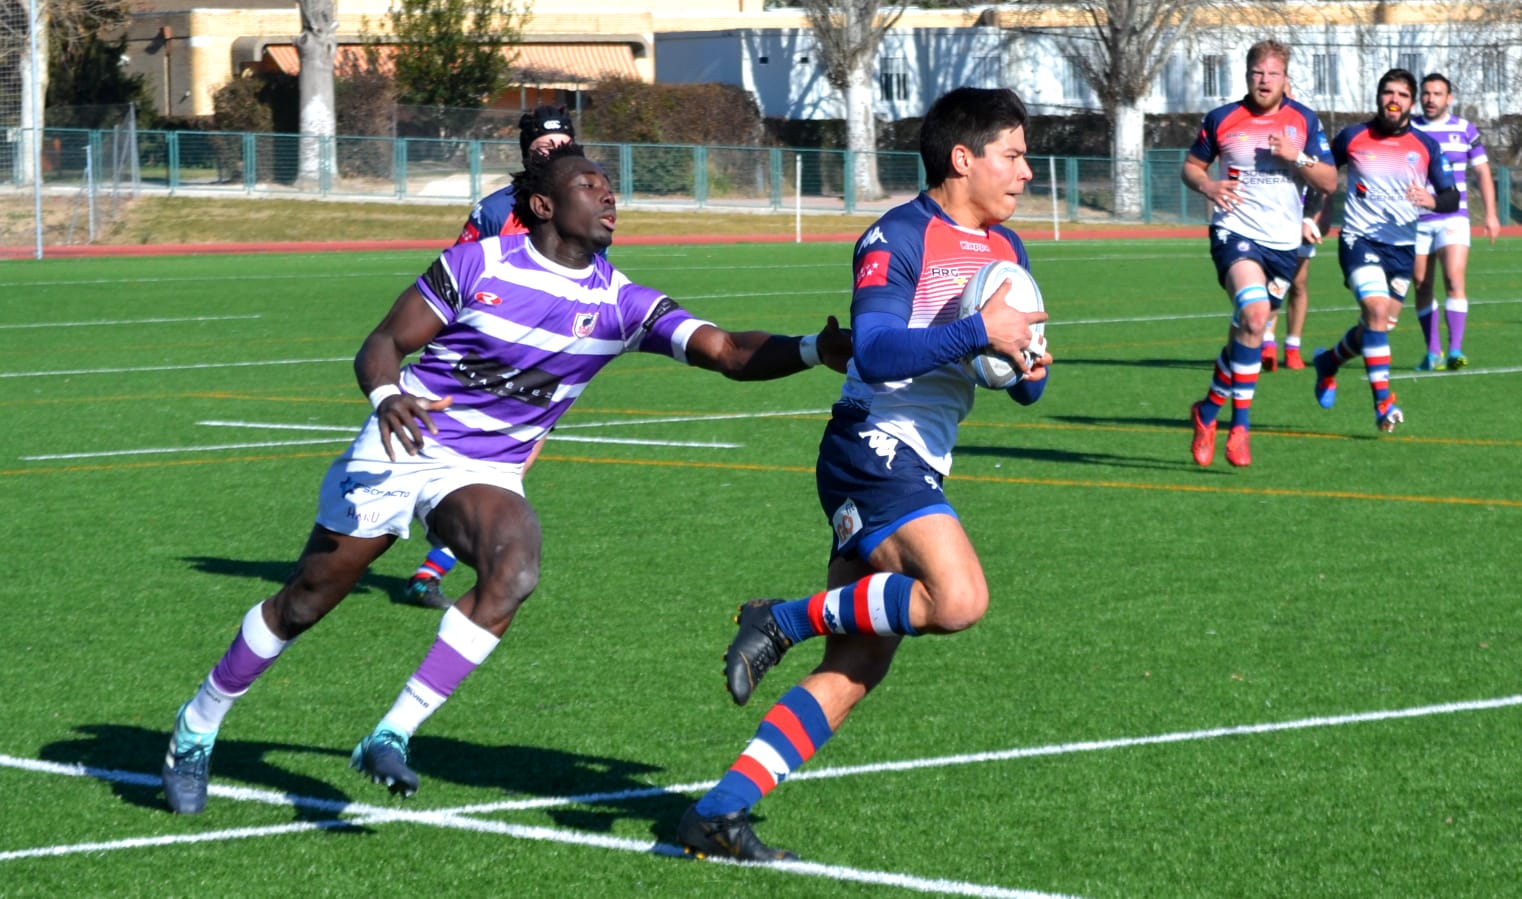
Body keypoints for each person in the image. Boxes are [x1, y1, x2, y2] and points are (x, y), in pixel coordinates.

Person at [159, 143, 853, 816]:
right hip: (404, 440)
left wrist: (809, 349)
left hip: (485, 470)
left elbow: (728, 350)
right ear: (544, 203)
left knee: (515, 565)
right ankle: (196, 726)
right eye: (590, 184)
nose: (609, 194)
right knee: (305, 602)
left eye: (611, 185)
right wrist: (385, 395)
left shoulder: (623, 302)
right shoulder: (475, 263)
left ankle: (390, 733)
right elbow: (384, 343)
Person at [676, 86, 1051, 863]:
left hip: (916, 454)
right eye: (1012, 156)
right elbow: (875, 350)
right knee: (959, 597)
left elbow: (1025, 382)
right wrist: (982, 328)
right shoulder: (898, 235)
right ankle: (781, 616)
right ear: (962, 158)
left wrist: (1026, 361)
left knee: (859, 663)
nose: (1026, 173)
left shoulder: (1009, 252)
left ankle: (718, 810)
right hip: (874, 444)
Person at [401, 105, 578, 610]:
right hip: (480, 357)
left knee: (509, 469)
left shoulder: (582, 204)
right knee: (443, 462)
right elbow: (454, 273)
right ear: (526, 153)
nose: (553, 154)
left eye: (561, 145)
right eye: (543, 148)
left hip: (546, 363)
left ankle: (429, 571)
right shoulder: (497, 209)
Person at [1182, 40, 1336, 468]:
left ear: (1285, 78)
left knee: (1247, 336)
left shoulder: (1304, 120)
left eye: (1272, 74)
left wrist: (1297, 155)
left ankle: (1208, 410)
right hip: (1235, 233)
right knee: (1253, 317)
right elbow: (1191, 167)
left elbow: (1328, 182)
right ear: (1246, 75)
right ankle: (1241, 427)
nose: (1264, 81)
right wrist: (1208, 186)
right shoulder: (1222, 119)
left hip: (1284, 244)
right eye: (1257, 73)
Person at [1310, 69, 1458, 433]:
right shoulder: (1352, 136)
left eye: (1402, 95)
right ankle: (1383, 403)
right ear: (1378, 98)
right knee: (1375, 311)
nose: (1394, 100)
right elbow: (1322, 175)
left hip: (1402, 248)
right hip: (1359, 240)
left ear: (1410, 102)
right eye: (1387, 93)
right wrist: (1318, 211)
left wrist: (1433, 200)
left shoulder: (1425, 145)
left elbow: (1452, 195)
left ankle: (1328, 362)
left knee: (1380, 325)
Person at [1410, 73, 1502, 371]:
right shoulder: (1409, 129)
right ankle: (1433, 352)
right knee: (1422, 284)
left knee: (1453, 278)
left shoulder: (1464, 129)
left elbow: (1483, 172)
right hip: (1416, 219)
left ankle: (1455, 350)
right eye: (1426, 93)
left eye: (1437, 94)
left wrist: (1490, 213)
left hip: (1453, 216)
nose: (1430, 99)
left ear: (1449, 98)